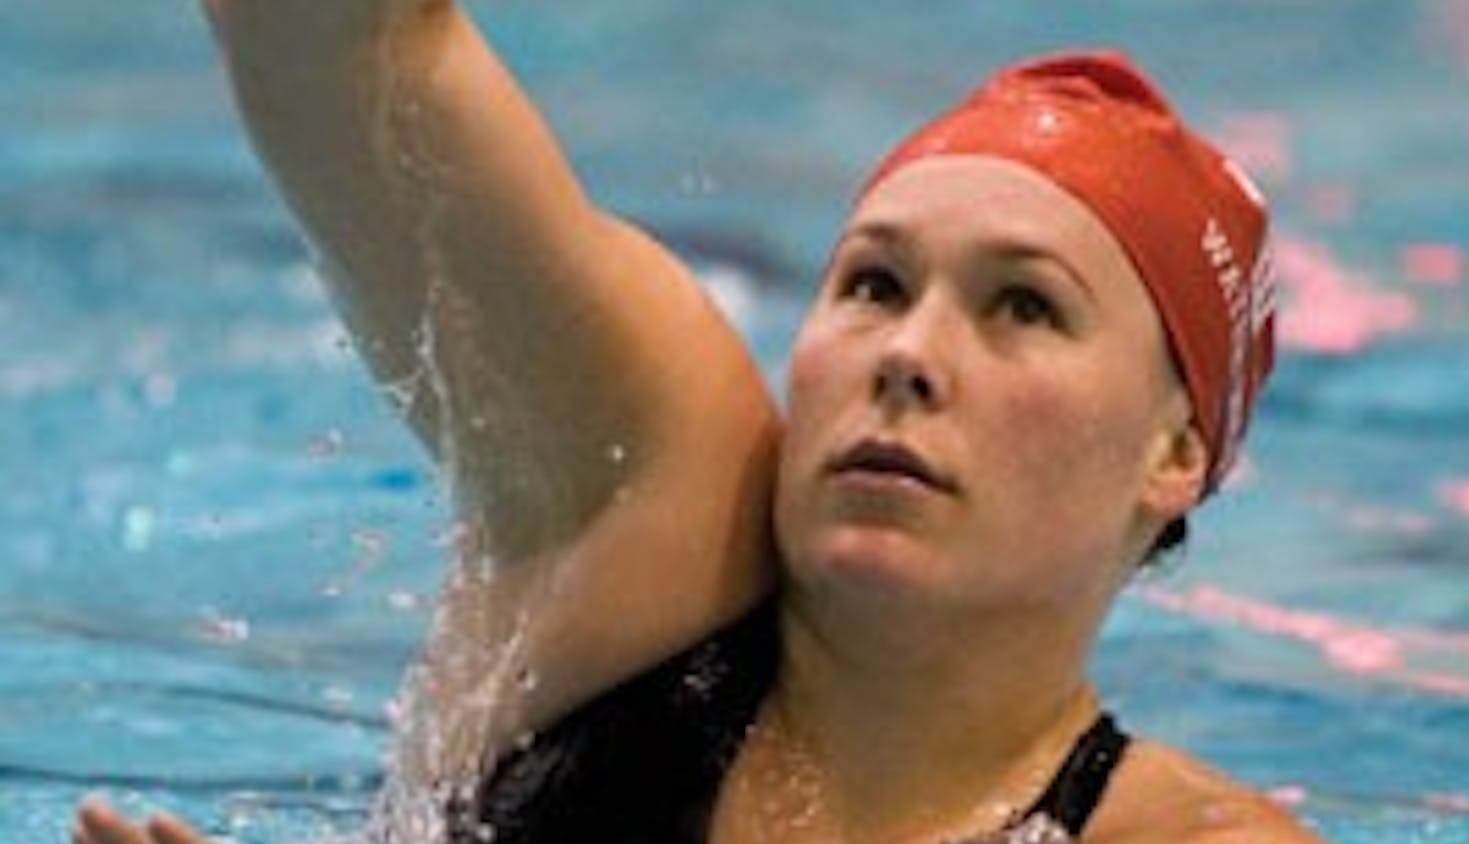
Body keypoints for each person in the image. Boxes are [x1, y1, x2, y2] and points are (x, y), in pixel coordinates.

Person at [75, 1, 1322, 842]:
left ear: (1175, 454)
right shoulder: (645, 513)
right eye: (874, 284)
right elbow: (344, 49)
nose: (909, 355)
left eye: (1025, 309)